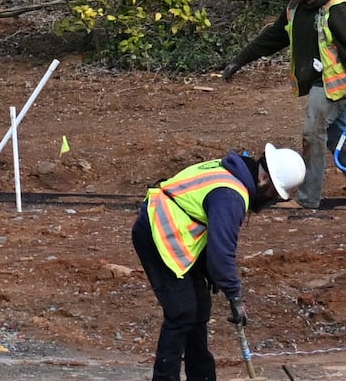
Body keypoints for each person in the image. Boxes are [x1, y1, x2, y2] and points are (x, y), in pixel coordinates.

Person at [129, 143, 301, 381]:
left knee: (199, 308)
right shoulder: (231, 195)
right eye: (272, 195)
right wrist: (235, 295)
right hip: (158, 232)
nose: (270, 202)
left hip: (179, 234)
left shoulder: (232, 174)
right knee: (181, 312)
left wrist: (209, 271)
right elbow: (222, 253)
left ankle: (202, 376)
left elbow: (206, 227)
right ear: (264, 179)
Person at [221, 0, 346, 204]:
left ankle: (307, 199)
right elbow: (271, 38)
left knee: (312, 135)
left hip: (330, 87)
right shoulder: (295, 9)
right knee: (340, 141)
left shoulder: (336, 8)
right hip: (318, 84)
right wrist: (239, 60)